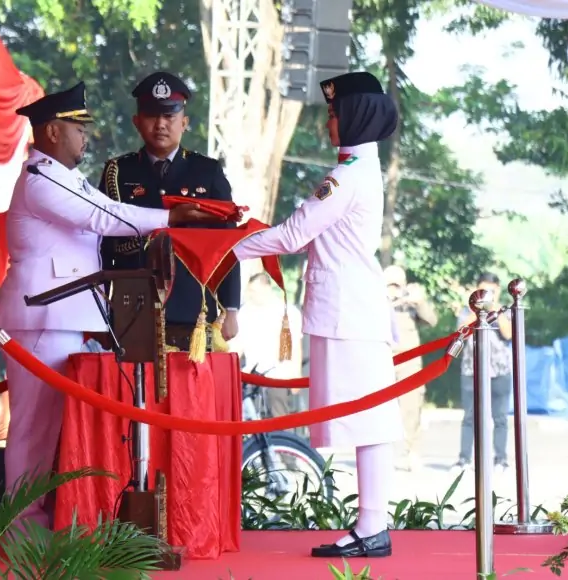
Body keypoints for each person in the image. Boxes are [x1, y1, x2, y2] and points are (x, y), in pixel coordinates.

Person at [0, 81, 228, 529]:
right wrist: (169, 218)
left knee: (57, 430)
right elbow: (104, 216)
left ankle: (44, 518)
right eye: (78, 129)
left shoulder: (63, 177)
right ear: (52, 131)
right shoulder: (40, 180)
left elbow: (99, 214)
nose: (86, 138)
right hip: (42, 315)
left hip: (67, 314)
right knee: (32, 430)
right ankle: (20, 526)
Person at [232, 71, 400, 558]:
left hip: (347, 312)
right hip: (350, 309)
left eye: (333, 112)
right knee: (370, 419)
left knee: (370, 420)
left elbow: (291, 236)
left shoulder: (345, 178)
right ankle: (372, 525)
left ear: (354, 117)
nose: (329, 121)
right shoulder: (357, 169)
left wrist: (226, 249)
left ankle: (372, 528)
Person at [98, 71, 242, 349]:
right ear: (137, 122)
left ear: (184, 123)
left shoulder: (207, 171)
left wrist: (231, 307)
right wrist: (101, 310)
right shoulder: (118, 171)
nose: (161, 124)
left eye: (170, 117)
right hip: (132, 308)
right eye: (152, 116)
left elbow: (227, 244)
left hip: (194, 310)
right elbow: (102, 247)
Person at [452, 271, 513, 474]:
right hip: (472, 369)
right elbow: (460, 332)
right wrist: (476, 310)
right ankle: (463, 460)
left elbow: (508, 333)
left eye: (491, 291)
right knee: (469, 416)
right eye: (483, 290)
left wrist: (494, 309)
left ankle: (501, 460)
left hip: (500, 370)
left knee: (500, 417)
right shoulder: (466, 311)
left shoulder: (504, 310)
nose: (487, 295)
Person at [385, 265, 438, 472]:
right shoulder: (377, 300)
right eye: (390, 284)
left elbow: (432, 320)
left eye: (398, 284)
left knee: (411, 408)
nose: (394, 288)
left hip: (409, 361)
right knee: (379, 408)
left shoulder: (412, 301)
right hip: (383, 359)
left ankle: (412, 452)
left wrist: (420, 302)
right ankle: (381, 453)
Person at [233, 272, 304, 424]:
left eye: (254, 292)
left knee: (280, 421)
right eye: (249, 291)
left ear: (267, 288)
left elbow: (296, 346)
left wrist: (296, 375)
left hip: (279, 375)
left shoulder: (288, 311)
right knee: (252, 422)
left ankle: (284, 448)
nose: (251, 295)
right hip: (251, 376)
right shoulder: (244, 312)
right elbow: (237, 346)